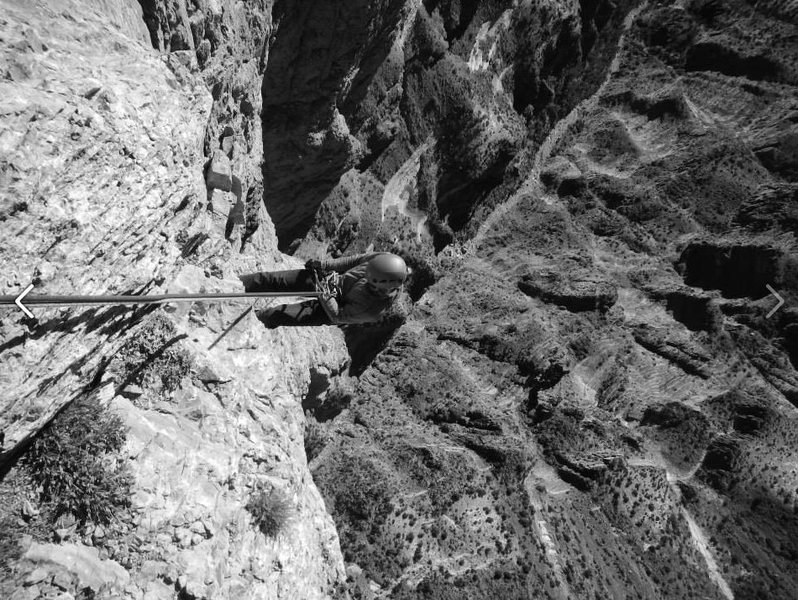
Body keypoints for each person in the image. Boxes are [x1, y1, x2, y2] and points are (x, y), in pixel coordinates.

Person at [239, 252, 409, 327]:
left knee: (277, 315)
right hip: (331, 281)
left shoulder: (372, 309)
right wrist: (323, 266)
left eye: (370, 281)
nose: (366, 278)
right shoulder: (382, 261)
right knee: (272, 280)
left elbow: (338, 316)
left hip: (331, 309)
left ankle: (253, 321)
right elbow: (355, 260)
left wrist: (324, 293)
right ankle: (236, 285)